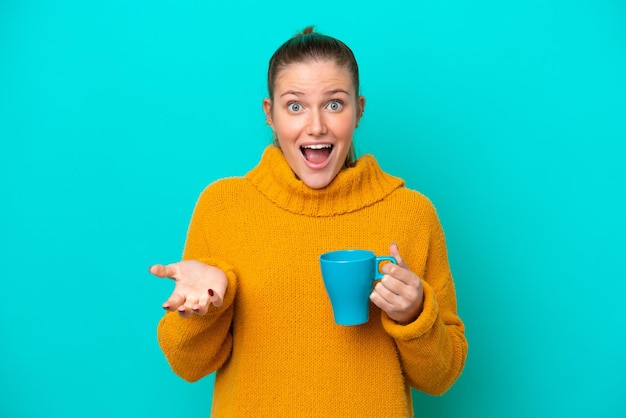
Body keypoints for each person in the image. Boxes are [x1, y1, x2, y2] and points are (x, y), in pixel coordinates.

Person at [150, 26, 467, 417]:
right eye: (295, 106)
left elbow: (442, 377)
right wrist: (204, 310)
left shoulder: (411, 213)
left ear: (359, 110)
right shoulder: (223, 207)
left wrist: (416, 312)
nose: (316, 126)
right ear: (270, 114)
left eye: (334, 104)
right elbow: (187, 365)